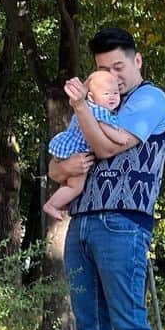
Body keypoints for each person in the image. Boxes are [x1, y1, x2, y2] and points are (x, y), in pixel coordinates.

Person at [50, 26, 165, 330]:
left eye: (118, 67)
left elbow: (102, 150)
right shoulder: (95, 101)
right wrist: (64, 165)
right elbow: (54, 169)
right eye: (102, 69)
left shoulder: (149, 101)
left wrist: (82, 106)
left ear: (137, 61)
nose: (112, 78)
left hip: (122, 221)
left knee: (131, 326)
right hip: (80, 222)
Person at [43, 70, 125, 220]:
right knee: (76, 186)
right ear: (92, 97)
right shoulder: (97, 111)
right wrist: (119, 136)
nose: (112, 97)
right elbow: (106, 128)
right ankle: (52, 205)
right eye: (107, 94)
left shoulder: (92, 107)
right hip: (77, 151)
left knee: (69, 183)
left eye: (115, 93)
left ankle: (61, 201)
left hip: (68, 148)